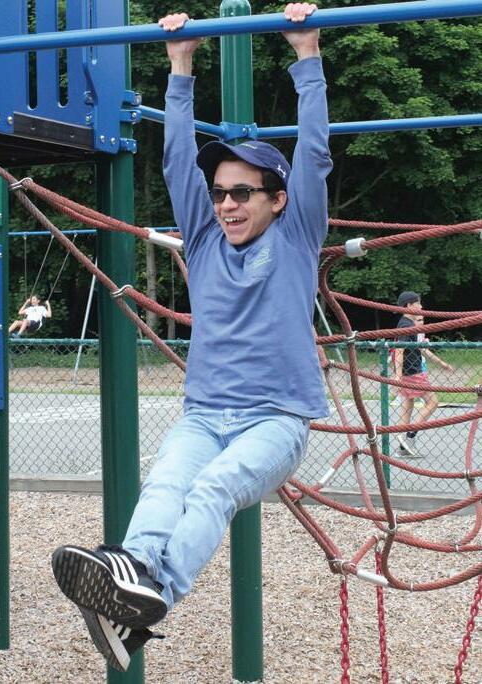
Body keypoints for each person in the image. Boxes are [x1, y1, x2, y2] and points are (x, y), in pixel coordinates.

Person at [52, 3, 331, 672]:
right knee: (162, 488)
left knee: (213, 489)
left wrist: (307, 55)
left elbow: (315, 153)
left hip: (276, 419)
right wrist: (180, 67)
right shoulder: (203, 241)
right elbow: (179, 159)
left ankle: (154, 597)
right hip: (206, 414)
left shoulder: (297, 236)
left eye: (243, 193)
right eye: (221, 193)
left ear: (277, 199)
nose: (227, 204)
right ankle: (129, 593)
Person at [393, 291, 453, 457]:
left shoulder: (407, 323)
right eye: (418, 303)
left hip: (410, 371)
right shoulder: (406, 326)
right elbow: (399, 350)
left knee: (408, 405)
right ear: (409, 305)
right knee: (432, 402)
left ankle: (403, 447)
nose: (421, 307)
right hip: (413, 373)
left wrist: (442, 364)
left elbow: (421, 349)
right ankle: (410, 435)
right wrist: (398, 376)